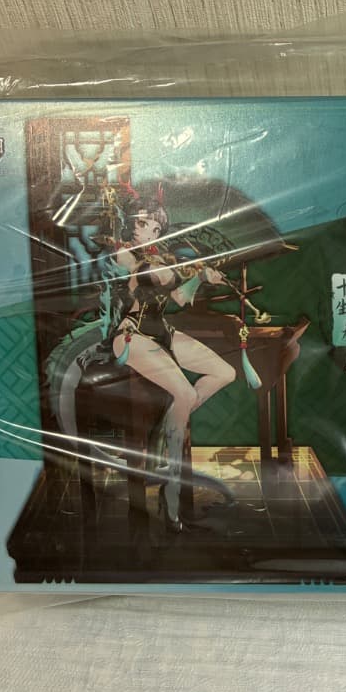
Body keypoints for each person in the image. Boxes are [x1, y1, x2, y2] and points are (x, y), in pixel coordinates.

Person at [77, 184, 236, 531]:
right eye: (138, 221)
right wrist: (193, 271)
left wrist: (202, 279)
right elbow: (150, 277)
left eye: (150, 224)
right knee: (186, 394)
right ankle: (171, 499)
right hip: (131, 336)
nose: (142, 228)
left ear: (158, 229)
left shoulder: (160, 256)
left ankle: (167, 425)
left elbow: (178, 298)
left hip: (161, 330)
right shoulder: (122, 254)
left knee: (225, 373)